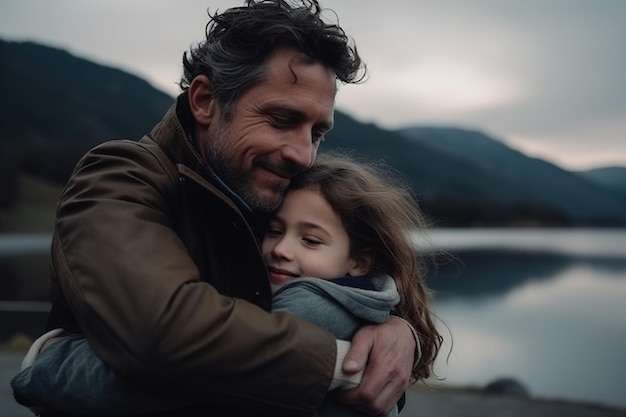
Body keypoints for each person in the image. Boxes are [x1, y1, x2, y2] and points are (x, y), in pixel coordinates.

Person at [11, 1, 421, 416]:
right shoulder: (120, 176)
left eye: (317, 133)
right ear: (205, 100)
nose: (303, 155)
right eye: (281, 119)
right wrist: (345, 363)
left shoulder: (273, 191)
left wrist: (398, 332)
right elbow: (161, 335)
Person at [12, 153, 443, 417]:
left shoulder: (307, 307)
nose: (280, 249)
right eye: (273, 231)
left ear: (359, 260)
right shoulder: (362, 302)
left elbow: (160, 378)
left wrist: (46, 368)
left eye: (310, 240)